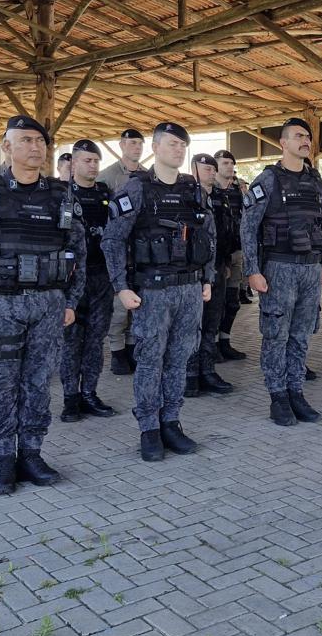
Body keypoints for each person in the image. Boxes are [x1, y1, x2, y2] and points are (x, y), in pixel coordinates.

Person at [0, 115, 86, 495]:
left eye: (39, 141)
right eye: (24, 141)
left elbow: (78, 251)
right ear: (6, 147)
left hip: (49, 305)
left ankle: (33, 453)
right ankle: (4, 458)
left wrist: (71, 300)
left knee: (39, 382)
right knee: (2, 385)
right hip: (0, 305)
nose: (34, 147)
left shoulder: (62, 195)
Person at [102, 122, 216, 463]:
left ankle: (171, 421)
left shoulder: (195, 190)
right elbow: (112, 239)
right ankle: (149, 428)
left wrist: (207, 278)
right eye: (171, 144)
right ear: (155, 147)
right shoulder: (136, 189)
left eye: (183, 145)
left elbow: (209, 238)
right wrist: (121, 286)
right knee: (151, 361)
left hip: (189, 289)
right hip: (152, 291)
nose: (178, 150)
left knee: (180, 358)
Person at [241, 118, 322, 426]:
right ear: (283, 143)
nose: (305, 141)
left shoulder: (315, 179)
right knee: (276, 335)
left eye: (307, 136)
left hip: (309, 268)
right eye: (298, 136)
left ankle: (296, 391)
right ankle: (277, 396)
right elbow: (248, 227)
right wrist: (252, 270)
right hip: (278, 267)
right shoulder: (267, 180)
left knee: (302, 335)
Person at [58, 139, 118, 422]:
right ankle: (71, 398)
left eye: (96, 161)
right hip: (71, 280)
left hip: (101, 276)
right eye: (86, 160)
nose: (92, 165)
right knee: (71, 340)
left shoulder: (106, 193)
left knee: (96, 339)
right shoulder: (62, 195)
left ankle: (90, 394)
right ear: (73, 164)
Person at [184, 153, 234, 398]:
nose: (211, 173)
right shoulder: (185, 195)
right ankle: (190, 374)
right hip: (194, 272)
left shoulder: (220, 198)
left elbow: (225, 233)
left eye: (213, 169)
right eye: (206, 169)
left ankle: (207, 370)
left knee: (212, 322)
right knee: (193, 324)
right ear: (193, 169)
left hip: (218, 268)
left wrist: (225, 262)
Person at [100, 128, 145, 375]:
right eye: (132, 143)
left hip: (142, 251)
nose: (136, 147)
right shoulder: (108, 177)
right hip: (119, 249)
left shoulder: (148, 177)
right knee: (119, 307)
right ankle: (117, 351)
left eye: (140, 143)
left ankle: (130, 348)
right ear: (121, 145)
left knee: (137, 304)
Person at [212, 150, 249, 359]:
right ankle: (213, 344)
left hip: (236, 252)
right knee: (215, 304)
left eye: (231, 163)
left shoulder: (237, 192)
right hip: (217, 257)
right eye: (224, 163)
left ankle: (225, 341)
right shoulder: (210, 190)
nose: (229, 166)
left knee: (232, 302)